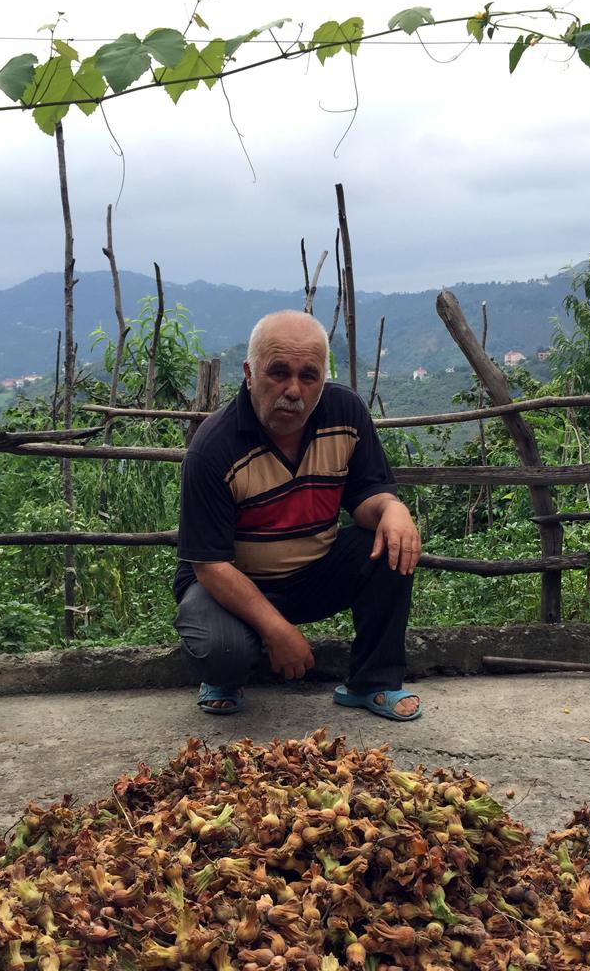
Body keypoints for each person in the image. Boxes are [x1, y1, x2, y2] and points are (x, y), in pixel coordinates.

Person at [173, 309, 422, 721]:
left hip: (314, 572)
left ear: (323, 378)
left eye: (309, 376)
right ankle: (223, 676)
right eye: (278, 373)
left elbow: (366, 496)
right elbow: (211, 565)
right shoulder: (213, 447)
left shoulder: (345, 413)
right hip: (230, 583)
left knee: (392, 542)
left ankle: (373, 683)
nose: (294, 390)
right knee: (222, 651)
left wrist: (393, 509)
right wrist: (277, 630)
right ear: (250, 374)